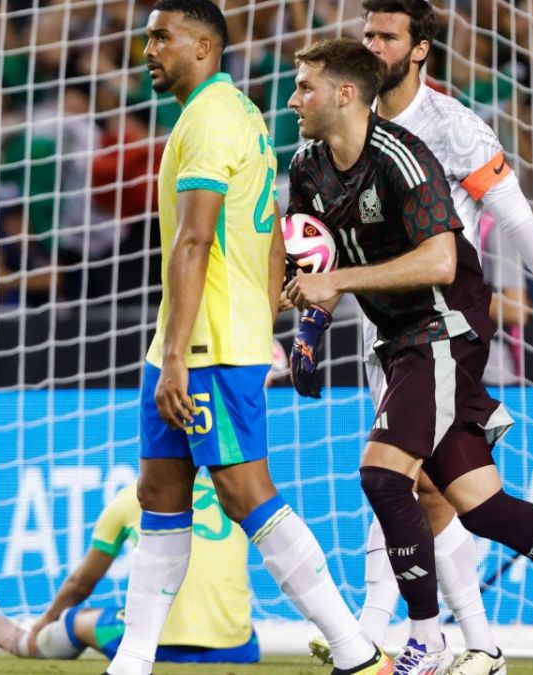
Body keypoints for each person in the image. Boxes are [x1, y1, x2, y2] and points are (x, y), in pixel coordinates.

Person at [283, 37, 533, 675]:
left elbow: (441, 259)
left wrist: (337, 288)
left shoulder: (406, 157)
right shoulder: (306, 166)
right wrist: (308, 332)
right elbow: (315, 259)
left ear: (345, 94)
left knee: (382, 475)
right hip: (397, 339)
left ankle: (425, 643)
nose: (294, 99)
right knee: (479, 506)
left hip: (444, 326)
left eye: (305, 87)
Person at [107, 4, 390, 675]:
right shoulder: (236, 115)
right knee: (160, 496)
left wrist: (183, 354)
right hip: (189, 344)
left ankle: (356, 652)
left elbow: (195, 240)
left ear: (204, 45)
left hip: (203, 348)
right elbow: (270, 241)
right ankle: (133, 660)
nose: (147, 49)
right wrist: (258, 328)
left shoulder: (208, 118)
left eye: (160, 37)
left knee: (246, 493)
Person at [0, 476, 260, 665]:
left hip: (158, 648)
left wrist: (42, 621)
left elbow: (81, 584)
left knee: (74, 619)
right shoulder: (231, 496)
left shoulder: (134, 496)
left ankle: (29, 643)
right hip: (238, 651)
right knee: (237, 620)